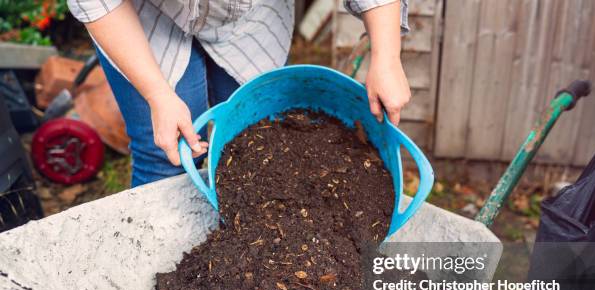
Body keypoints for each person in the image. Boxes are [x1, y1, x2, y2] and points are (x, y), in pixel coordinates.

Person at [68, 0, 412, 187]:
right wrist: (158, 94)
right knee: (167, 155)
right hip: (147, 15)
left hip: (249, 15)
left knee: (259, 143)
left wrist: (386, 55)